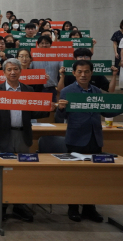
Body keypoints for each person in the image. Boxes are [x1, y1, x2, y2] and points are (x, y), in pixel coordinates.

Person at [0, 58, 56, 224]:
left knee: (21, 172)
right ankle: (1, 208)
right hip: (3, 136)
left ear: (20, 71)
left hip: (23, 135)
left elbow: (32, 113)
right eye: (9, 69)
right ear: (4, 72)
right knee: (3, 173)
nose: (13, 72)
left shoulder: (28, 89)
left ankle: (18, 205)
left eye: (16, 69)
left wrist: (47, 110)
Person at [56, 60, 123, 223]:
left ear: (91, 73)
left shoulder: (96, 91)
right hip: (76, 138)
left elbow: (106, 111)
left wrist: (119, 105)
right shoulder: (67, 91)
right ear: (74, 74)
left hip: (95, 137)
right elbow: (60, 118)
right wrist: (60, 108)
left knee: (93, 176)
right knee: (75, 176)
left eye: (86, 72)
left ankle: (89, 208)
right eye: (79, 72)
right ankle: (73, 208)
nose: (83, 75)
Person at [30, 35, 62, 101]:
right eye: (42, 43)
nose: (44, 45)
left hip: (52, 89)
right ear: (38, 45)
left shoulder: (57, 57)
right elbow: (28, 70)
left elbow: (62, 69)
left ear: (50, 44)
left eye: (47, 43)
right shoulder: (32, 57)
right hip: (37, 89)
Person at [111, 19, 123, 86]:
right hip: (119, 51)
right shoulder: (117, 33)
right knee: (119, 67)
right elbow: (115, 44)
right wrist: (115, 52)